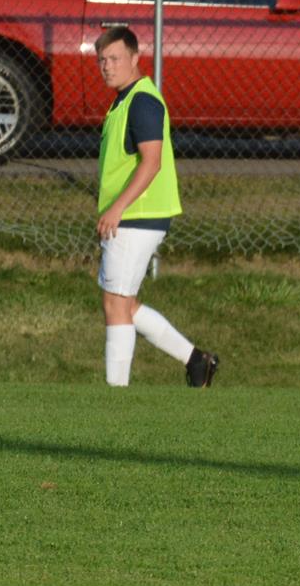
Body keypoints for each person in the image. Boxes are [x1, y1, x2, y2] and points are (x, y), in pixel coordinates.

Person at [94, 26, 219, 388]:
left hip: (137, 216)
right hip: (133, 216)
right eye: (102, 60)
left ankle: (116, 395)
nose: (107, 66)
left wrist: (117, 208)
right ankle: (197, 361)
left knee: (115, 303)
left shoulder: (142, 102)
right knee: (126, 304)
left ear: (135, 58)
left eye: (115, 58)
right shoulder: (123, 101)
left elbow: (152, 163)